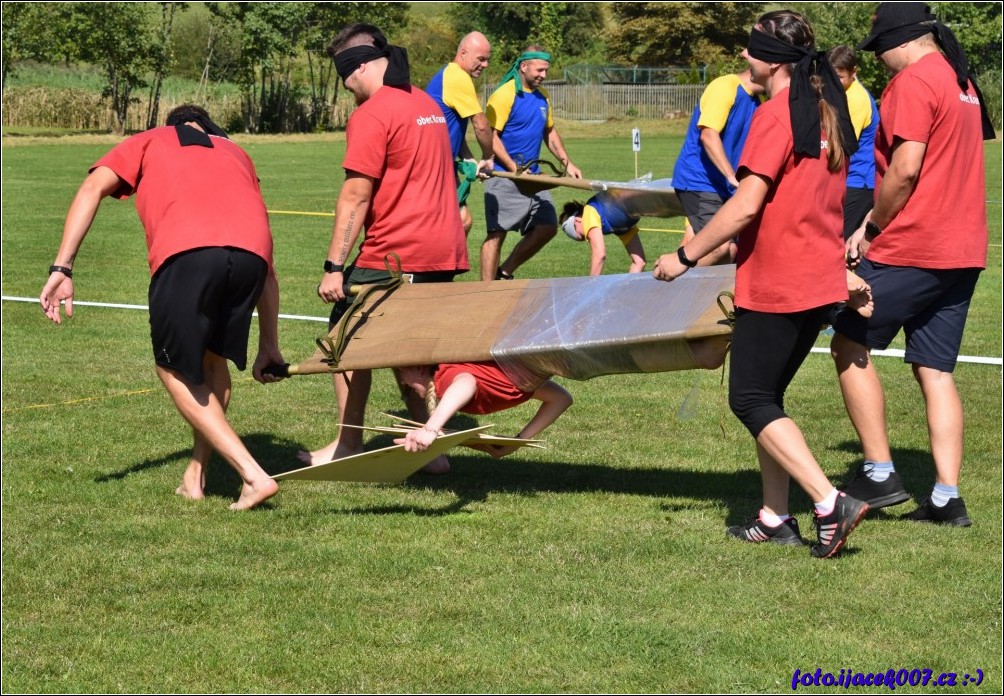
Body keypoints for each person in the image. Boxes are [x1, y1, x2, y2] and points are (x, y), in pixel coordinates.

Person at [653, 10, 868, 558]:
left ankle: (828, 500)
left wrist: (685, 254)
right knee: (768, 396)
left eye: (749, 49)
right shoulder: (827, 113)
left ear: (768, 59)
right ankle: (774, 516)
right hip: (817, 279)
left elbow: (745, 206)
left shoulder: (777, 116)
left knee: (748, 399)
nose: (743, 57)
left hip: (780, 279)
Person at [39, 104, 284, 511]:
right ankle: (196, 474)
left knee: (171, 365)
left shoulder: (150, 138)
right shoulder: (236, 152)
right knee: (211, 362)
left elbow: (91, 189)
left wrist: (62, 267)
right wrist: (269, 344)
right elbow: (269, 266)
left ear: (171, 125)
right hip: (252, 259)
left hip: (188, 252)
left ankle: (253, 475)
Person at [830, 3, 994, 527]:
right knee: (935, 369)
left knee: (848, 339)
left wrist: (869, 229)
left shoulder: (914, 82)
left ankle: (879, 473)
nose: (878, 60)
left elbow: (904, 169)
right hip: (964, 249)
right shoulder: (961, 81)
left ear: (901, 39)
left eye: (879, 49)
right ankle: (947, 498)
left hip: (915, 245)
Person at [305, 23, 469, 474]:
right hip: (443, 249)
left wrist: (334, 266)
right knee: (411, 351)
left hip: (398, 251)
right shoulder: (426, 103)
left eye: (346, 79)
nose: (347, 89)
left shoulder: (373, 113)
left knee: (344, 339)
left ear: (358, 67)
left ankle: (348, 444)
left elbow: (356, 196)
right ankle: (431, 450)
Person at [481, 45, 582, 281]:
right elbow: (491, 137)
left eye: (546, 71)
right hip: (503, 176)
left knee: (547, 226)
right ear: (524, 66)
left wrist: (568, 164)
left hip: (533, 177)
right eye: (539, 70)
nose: (543, 75)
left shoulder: (543, 97)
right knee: (497, 234)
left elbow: (550, 133)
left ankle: (504, 272)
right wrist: (512, 168)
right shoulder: (505, 94)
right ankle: (483, 293)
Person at [671, 67, 764, 266]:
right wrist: (731, 176)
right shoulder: (725, 86)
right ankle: (669, 280)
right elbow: (708, 135)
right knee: (721, 249)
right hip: (699, 182)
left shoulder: (758, 103)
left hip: (728, 189)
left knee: (735, 253)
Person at [394, 362, 572, 458]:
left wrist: (430, 429)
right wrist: (517, 441)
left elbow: (466, 381)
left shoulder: (444, 376)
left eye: (400, 371)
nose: (402, 381)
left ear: (418, 366)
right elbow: (561, 399)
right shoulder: (518, 382)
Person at [426, 31, 495, 236]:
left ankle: (441, 267)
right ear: (463, 53)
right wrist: (488, 157)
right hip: (432, 168)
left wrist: (468, 158)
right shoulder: (458, 77)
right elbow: (481, 124)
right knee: (448, 226)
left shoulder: (451, 74)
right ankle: (426, 267)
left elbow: (452, 128)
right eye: (481, 59)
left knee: (462, 221)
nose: (485, 65)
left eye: (487, 60)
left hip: (442, 165)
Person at [827, 45, 879, 240]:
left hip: (857, 182)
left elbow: (842, 144)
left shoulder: (856, 99)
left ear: (854, 72)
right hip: (848, 178)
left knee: (837, 243)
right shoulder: (841, 94)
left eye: (839, 77)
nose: (833, 82)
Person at [558, 198, 646, 276]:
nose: (588, 237)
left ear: (577, 220)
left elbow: (599, 255)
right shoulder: (617, 225)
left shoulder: (590, 210)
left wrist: (590, 288)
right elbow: (639, 262)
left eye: (582, 236)